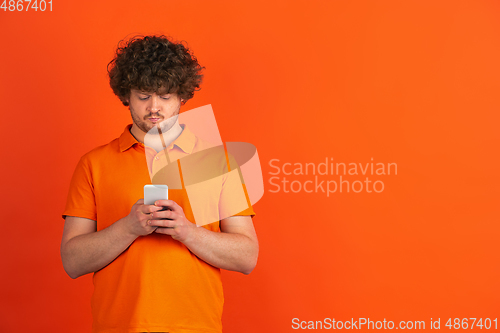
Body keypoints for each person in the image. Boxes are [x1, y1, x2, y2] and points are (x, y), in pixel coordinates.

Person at [60, 35, 259, 333]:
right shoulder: (93, 164)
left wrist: (186, 231)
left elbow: (247, 257)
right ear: (126, 95)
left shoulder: (219, 162)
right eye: (143, 96)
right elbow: (72, 261)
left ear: (182, 97)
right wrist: (128, 227)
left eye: (165, 96)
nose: (154, 107)